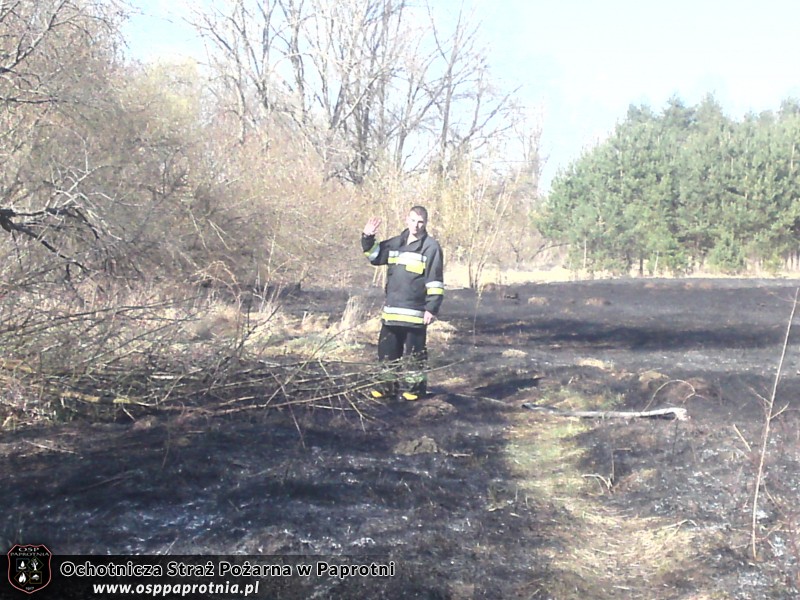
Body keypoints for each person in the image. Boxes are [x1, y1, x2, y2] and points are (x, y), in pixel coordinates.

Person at [361, 206, 444, 400]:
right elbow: (374, 256)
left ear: (426, 223)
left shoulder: (431, 247)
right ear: (407, 220)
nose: (416, 225)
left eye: (421, 221)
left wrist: (432, 308)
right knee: (387, 354)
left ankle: (414, 390)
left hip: (416, 315)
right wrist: (367, 237)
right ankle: (386, 388)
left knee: (415, 356)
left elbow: (435, 281)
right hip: (391, 313)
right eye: (413, 220)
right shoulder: (395, 243)